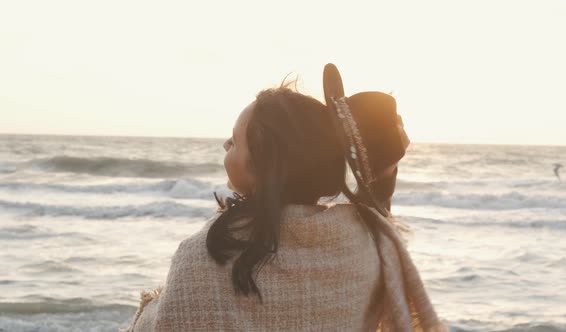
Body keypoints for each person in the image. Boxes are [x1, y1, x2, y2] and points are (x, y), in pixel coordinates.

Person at [122, 64, 447, 332]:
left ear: (265, 164)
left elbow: (168, 324)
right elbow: (379, 212)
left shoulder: (205, 253)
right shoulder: (366, 236)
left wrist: (151, 309)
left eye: (234, 141)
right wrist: (386, 170)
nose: (225, 145)